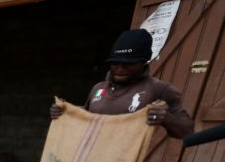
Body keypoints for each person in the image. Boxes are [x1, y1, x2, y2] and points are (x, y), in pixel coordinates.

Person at [50, 29, 194, 139]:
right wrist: (66, 111)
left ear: (144, 62)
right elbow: (87, 117)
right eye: (115, 63)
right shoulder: (98, 88)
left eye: (128, 64)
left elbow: (187, 131)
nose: (119, 68)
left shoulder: (158, 89)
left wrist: (166, 118)